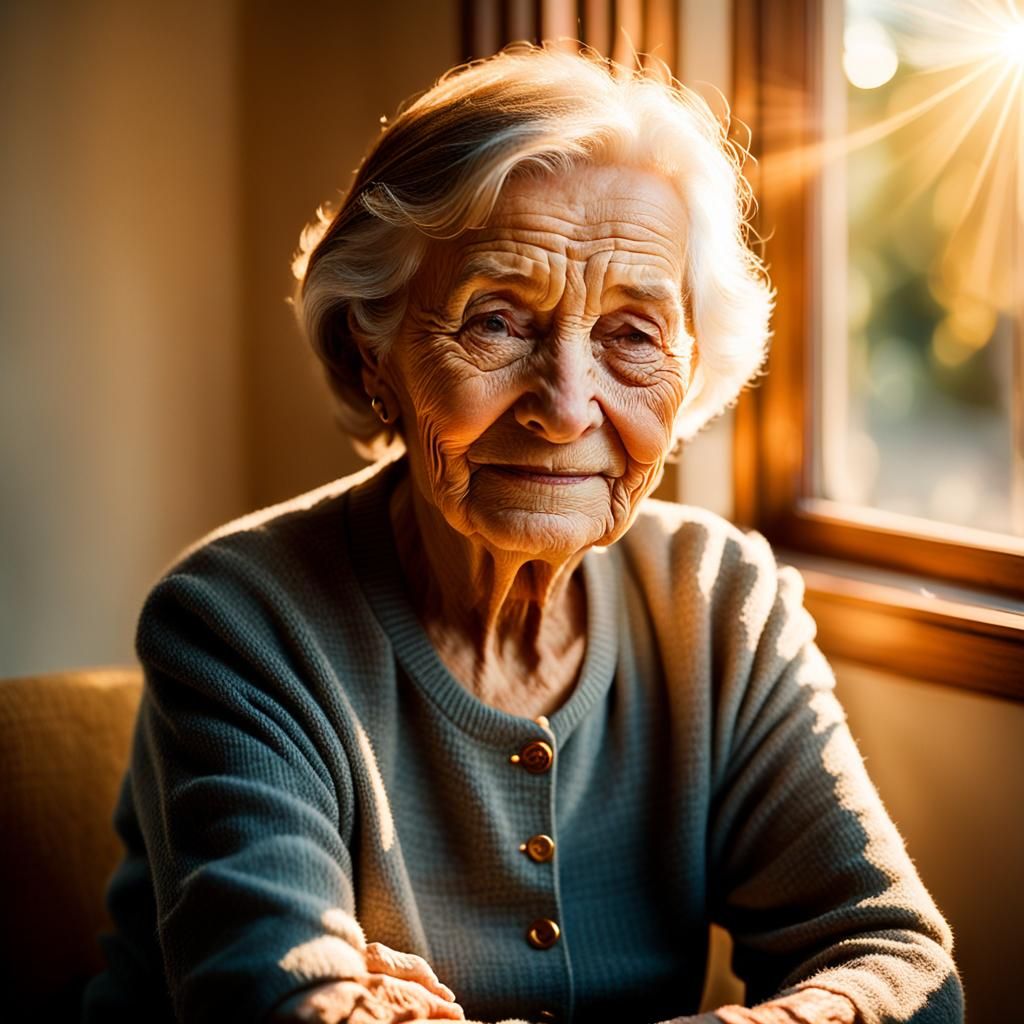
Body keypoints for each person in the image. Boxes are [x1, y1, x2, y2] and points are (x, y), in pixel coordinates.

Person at [83, 44, 963, 1024]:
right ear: (371, 352)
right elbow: (274, 1006)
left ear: (690, 376)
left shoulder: (719, 602)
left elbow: (902, 969)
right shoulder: (239, 619)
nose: (566, 404)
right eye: (496, 319)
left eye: (632, 333)